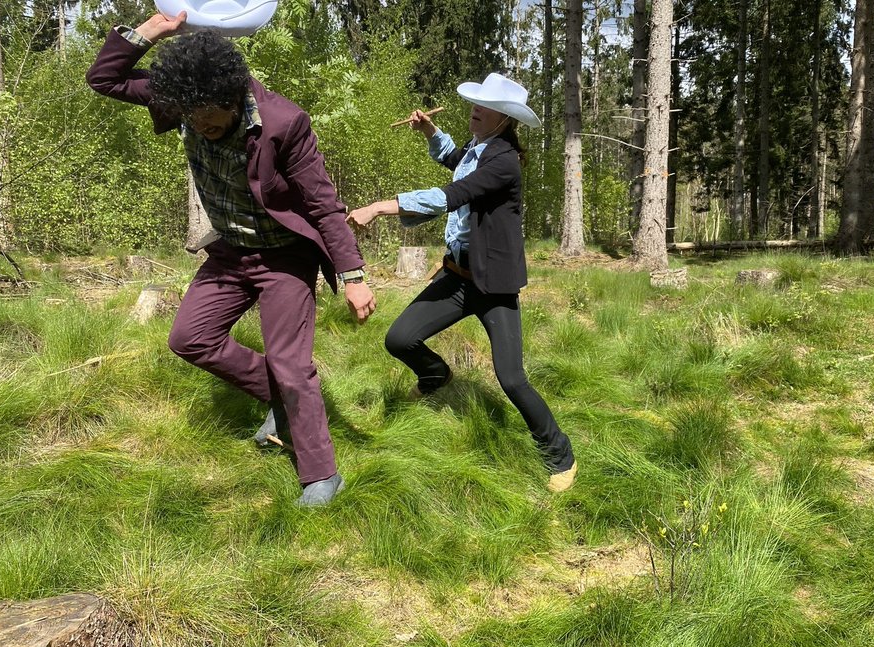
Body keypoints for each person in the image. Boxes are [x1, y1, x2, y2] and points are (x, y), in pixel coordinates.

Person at [86, 12, 376, 507]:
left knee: (290, 363)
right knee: (189, 338)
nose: (200, 126)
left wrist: (353, 275)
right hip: (230, 251)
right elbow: (104, 79)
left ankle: (322, 476)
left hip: (284, 256)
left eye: (208, 117)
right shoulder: (184, 98)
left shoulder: (284, 122)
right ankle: (282, 401)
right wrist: (152, 31)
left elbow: (324, 206)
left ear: (232, 95)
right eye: (190, 117)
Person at [346, 73, 577, 492]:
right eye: (476, 102)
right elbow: (456, 160)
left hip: (493, 287)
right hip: (456, 276)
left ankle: (560, 454)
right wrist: (430, 131)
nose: (476, 109)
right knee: (400, 340)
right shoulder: (479, 147)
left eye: (486, 107)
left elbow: (452, 194)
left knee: (512, 378)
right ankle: (435, 376)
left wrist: (381, 207)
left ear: (504, 119)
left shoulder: (504, 161)